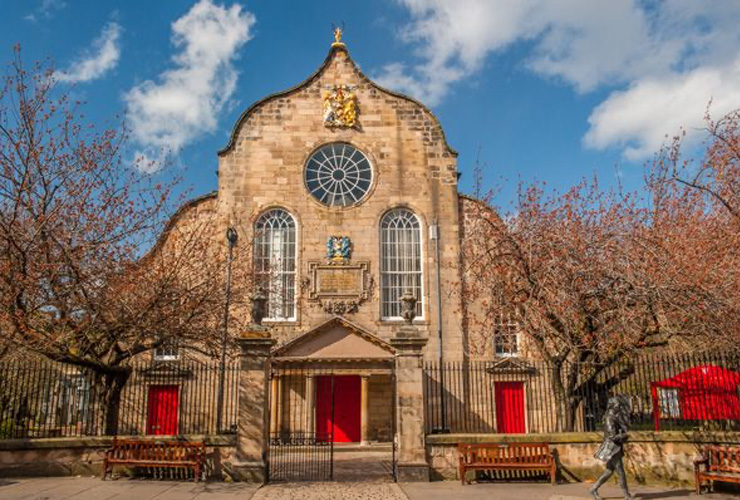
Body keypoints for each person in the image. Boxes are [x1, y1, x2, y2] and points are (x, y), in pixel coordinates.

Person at [590, 395, 634, 500]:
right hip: (612, 448)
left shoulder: (613, 417)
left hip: (615, 447)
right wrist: (625, 436)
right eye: (617, 405)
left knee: (609, 471)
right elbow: (612, 436)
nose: (619, 407)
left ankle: (594, 489)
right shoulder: (609, 418)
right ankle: (626, 495)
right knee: (620, 471)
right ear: (612, 406)